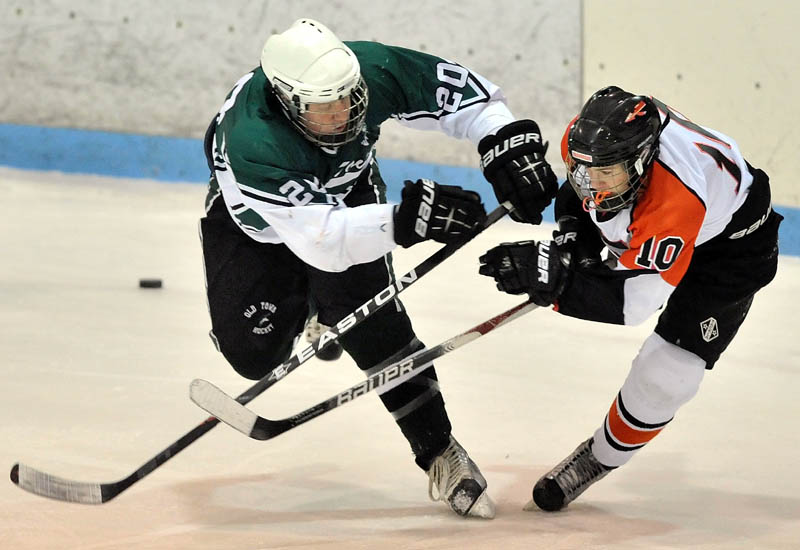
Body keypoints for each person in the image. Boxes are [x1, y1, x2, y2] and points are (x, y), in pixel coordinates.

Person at [199, 18, 558, 518]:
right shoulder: (255, 140)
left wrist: (505, 144)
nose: (344, 114)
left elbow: (466, 94)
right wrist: (408, 220)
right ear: (287, 101)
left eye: (348, 98)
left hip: (345, 195)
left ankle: (441, 452)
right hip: (261, 224)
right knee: (252, 356)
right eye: (325, 108)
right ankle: (312, 305)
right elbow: (325, 240)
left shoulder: (367, 70)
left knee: (374, 326)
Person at [478, 85, 782, 511]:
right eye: (587, 171)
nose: (594, 184)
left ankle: (599, 458)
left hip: (729, 250)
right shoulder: (591, 144)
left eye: (608, 175)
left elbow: (634, 303)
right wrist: (571, 239)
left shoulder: (674, 198)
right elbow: (581, 192)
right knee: (600, 216)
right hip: (678, 211)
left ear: (642, 160)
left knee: (668, 376)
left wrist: (557, 284)